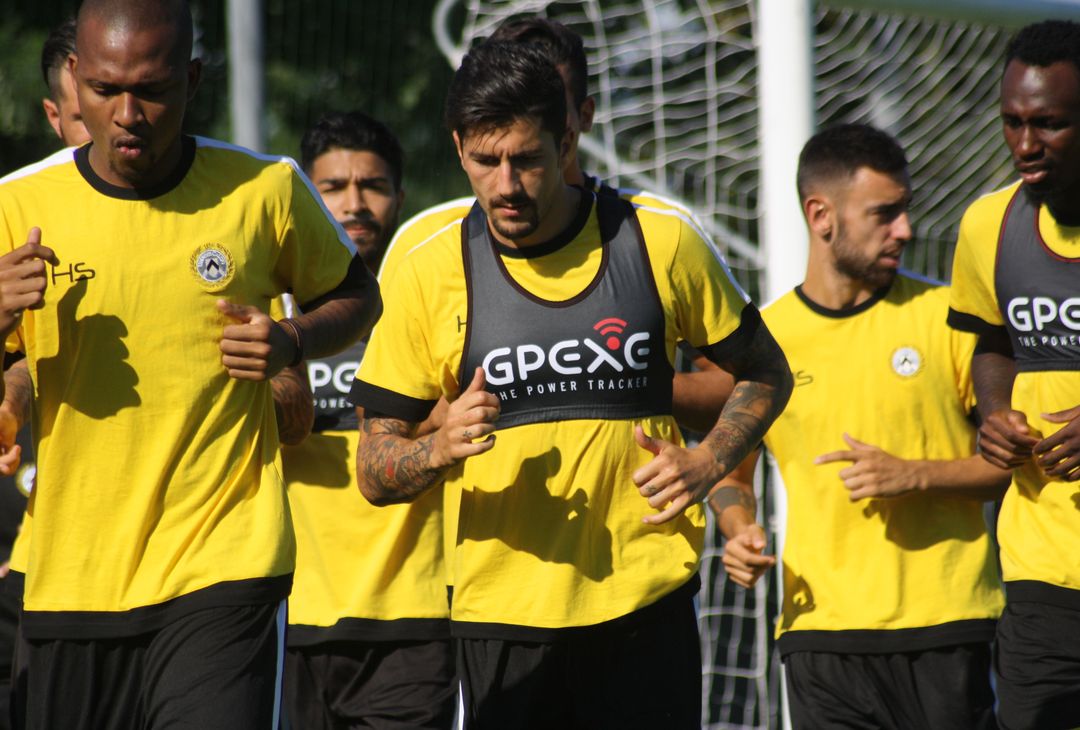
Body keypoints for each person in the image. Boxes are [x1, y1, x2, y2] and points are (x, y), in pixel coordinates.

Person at [351, 41, 791, 729]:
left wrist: (708, 461)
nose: (506, 184)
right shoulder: (426, 270)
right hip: (501, 619)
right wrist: (437, 448)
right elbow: (373, 470)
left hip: (646, 607)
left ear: (565, 143)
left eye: (526, 159)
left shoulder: (659, 241)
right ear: (458, 147)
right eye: (485, 160)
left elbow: (767, 372)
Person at [0, 0, 381, 727]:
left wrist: (291, 339)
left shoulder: (264, 189)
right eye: (105, 89)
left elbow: (358, 294)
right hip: (72, 576)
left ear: (193, 80)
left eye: (152, 90)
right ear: (74, 78)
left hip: (224, 564)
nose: (128, 114)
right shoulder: (17, 207)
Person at [715, 124, 1008, 729]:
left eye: (905, 210)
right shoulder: (764, 343)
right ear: (821, 216)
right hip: (820, 637)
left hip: (947, 629)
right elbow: (730, 475)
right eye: (884, 213)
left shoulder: (951, 319)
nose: (906, 230)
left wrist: (915, 475)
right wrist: (738, 531)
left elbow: (1010, 468)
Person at [279, 111, 454, 729]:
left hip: (415, 612)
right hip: (287, 611)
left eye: (373, 186)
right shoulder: (268, 305)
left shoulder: (435, 299)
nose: (354, 203)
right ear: (306, 196)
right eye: (333, 187)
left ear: (400, 198)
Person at [947, 20, 1080, 728]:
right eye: (1013, 122)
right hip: (1041, 569)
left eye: (1049, 124)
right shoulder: (988, 226)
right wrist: (994, 411)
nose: (1025, 144)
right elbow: (991, 336)